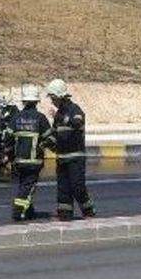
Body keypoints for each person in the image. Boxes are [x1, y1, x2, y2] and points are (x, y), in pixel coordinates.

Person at [45, 78, 96, 221]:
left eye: (53, 98)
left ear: (60, 96)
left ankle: (89, 211)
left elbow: (77, 123)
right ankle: (64, 214)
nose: (52, 101)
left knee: (77, 186)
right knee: (63, 188)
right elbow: (55, 133)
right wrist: (46, 143)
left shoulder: (75, 109)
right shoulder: (59, 114)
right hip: (62, 157)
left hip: (75, 157)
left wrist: (60, 117)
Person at [3, 84, 51, 220]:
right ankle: (18, 211)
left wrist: (10, 158)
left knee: (24, 184)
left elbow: (8, 139)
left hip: (19, 160)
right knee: (28, 187)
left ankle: (30, 211)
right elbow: (50, 137)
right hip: (34, 161)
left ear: (24, 101)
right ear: (36, 102)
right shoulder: (40, 118)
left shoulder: (16, 118)